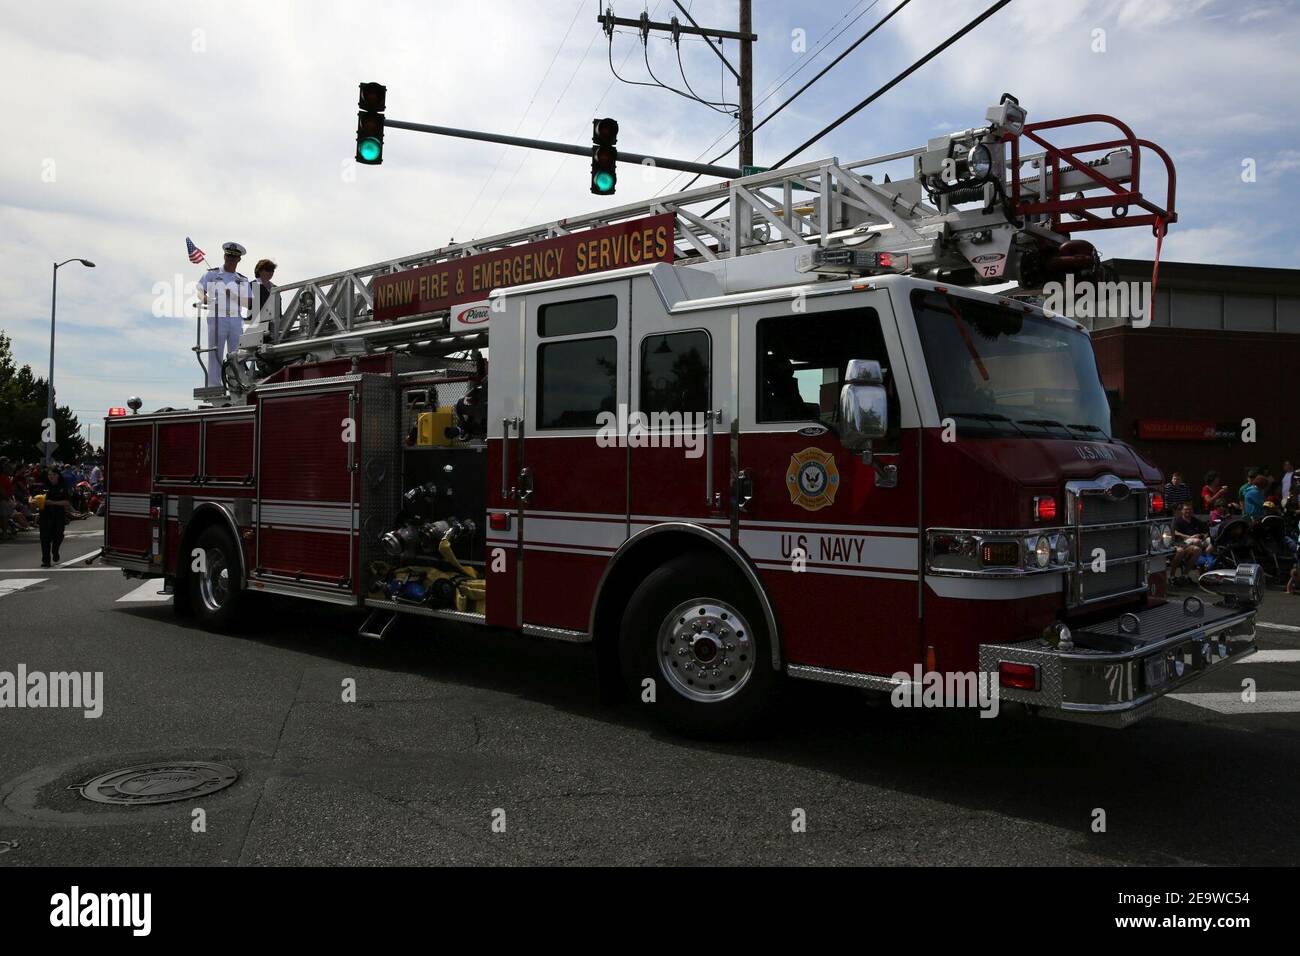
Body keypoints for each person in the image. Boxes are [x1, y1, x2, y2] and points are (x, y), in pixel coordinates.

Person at [197, 241, 251, 388]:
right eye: (228, 255)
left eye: (234, 257)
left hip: (235, 318)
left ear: (239, 259)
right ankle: (214, 387)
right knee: (215, 353)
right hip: (217, 317)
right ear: (224, 256)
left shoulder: (242, 279)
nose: (231, 259)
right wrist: (205, 299)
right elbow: (200, 290)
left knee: (237, 355)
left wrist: (233, 296)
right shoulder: (212, 274)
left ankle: (236, 386)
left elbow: (249, 303)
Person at [38, 466, 73, 567]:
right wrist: (35, 501)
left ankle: (55, 550)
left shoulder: (63, 486)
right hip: (45, 515)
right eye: (49, 475)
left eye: (53, 475)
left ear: (57, 475)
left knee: (58, 536)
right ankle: (46, 560)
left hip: (58, 515)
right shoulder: (43, 486)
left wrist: (52, 502)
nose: (50, 477)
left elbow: (67, 502)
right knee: (44, 538)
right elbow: (35, 498)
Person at [1170, 501, 1210, 586]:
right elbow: (1175, 532)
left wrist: (1201, 535)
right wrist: (1189, 537)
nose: (1188, 511)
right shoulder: (1177, 520)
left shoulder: (1196, 520)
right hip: (1180, 543)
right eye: (1186, 509)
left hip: (1195, 543)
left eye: (1190, 509)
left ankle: (1185, 575)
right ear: (1182, 511)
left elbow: (1206, 531)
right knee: (1194, 542)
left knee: (1198, 549)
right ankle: (1172, 576)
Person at [252, 258, 277, 323]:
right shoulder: (251, 285)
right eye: (268, 269)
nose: (270, 272)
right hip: (257, 326)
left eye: (272, 270)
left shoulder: (276, 288)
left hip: (274, 325)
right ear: (259, 270)